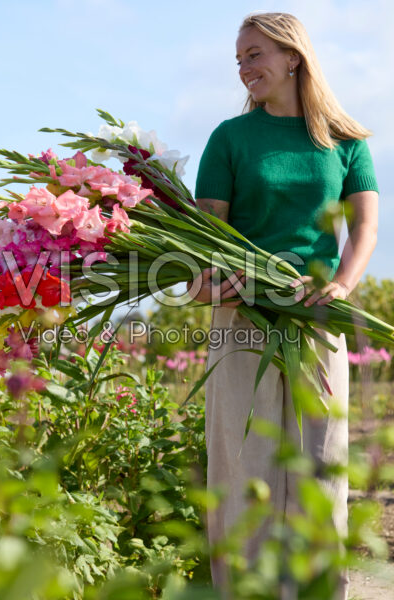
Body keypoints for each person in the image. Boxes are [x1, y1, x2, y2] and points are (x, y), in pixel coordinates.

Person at [187, 11, 379, 600]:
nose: (245, 68)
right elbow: (202, 244)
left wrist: (343, 285)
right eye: (239, 59)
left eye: (255, 55)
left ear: (293, 56)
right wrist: (205, 284)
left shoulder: (345, 141)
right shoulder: (229, 138)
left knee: (320, 468)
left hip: (317, 320)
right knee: (243, 470)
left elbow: (366, 227)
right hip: (242, 319)